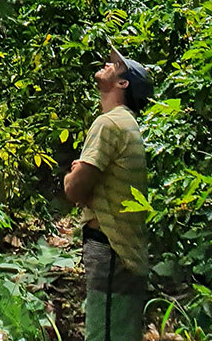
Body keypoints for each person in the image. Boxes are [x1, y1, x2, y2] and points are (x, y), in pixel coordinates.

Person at [64, 44, 153, 341]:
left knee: (103, 333)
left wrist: (74, 175)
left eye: (114, 65)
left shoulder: (109, 124)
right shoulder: (128, 124)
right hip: (125, 249)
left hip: (110, 249)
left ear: (122, 83)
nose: (107, 63)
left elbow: (74, 189)